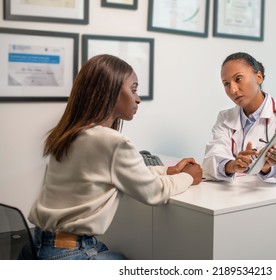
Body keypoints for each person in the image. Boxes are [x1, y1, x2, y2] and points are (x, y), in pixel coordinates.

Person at [25, 54, 203, 260]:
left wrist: (167, 171)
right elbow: (154, 192)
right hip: (70, 253)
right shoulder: (110, 141)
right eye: (134, 89)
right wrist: (188, 177)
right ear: (110, 91)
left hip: (38, 243)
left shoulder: (70, 134)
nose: (138, 98)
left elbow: (115, 174)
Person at [202, 52, 276, 183]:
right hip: (234, 193)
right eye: (226, 84)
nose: (232, 90)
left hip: (273, 193)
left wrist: (266, 167)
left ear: (259, 77)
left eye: (238, 79)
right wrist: (233, 166)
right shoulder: (224, 118)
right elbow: (212, 158)